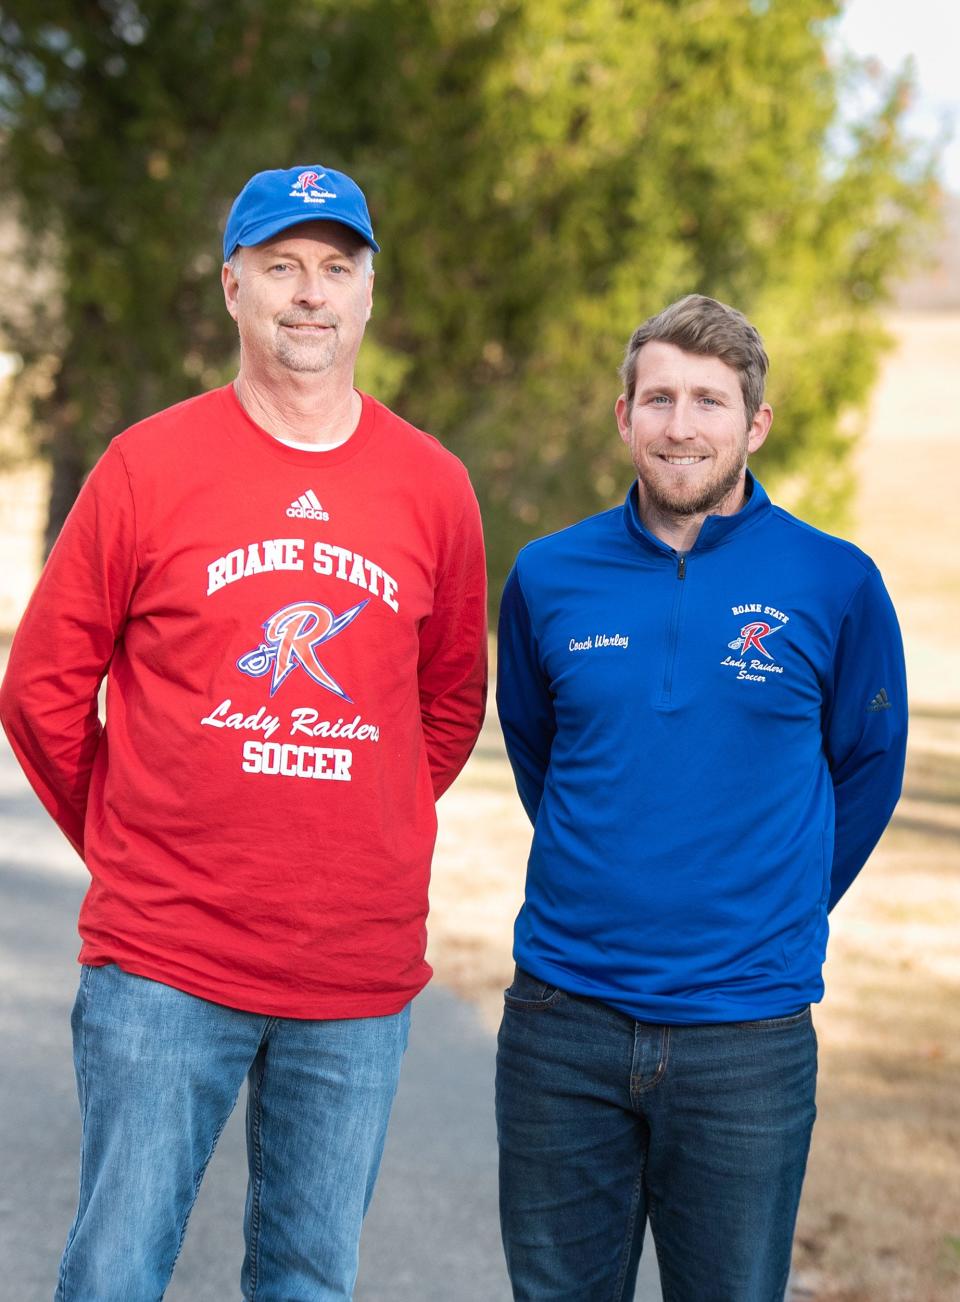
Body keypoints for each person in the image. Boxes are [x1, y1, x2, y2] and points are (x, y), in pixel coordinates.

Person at [0, 164, 487, 1301]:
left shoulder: (433, 488)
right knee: (118, 1269)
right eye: (280, 268)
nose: (309, 295)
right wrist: (125, 838)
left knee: (311, 1278)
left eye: (335, 269)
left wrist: (363, 822)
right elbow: (42, 687)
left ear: (369, 293)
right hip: (167, 960)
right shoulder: (148, 466)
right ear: (233, 288)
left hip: (355, 973)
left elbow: (451, 701)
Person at [494, 294, 906, 1302]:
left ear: (754, 425)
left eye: (711, 402)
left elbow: (870, 766)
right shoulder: (549, 576)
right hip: (563, 1023)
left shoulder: (834, 581)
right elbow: (539, 753)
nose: (683, 425)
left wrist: (778, 904)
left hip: (747, 1039)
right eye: (662, 398)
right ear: (624, 415)